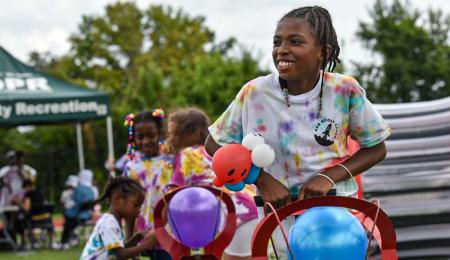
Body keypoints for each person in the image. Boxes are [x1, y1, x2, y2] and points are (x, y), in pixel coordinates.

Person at [205, 6, 390, 257]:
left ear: (322, 53)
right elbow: (214, 143)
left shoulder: (345, 90)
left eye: (295, 42)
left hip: (334, 218)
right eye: (277, 42)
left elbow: (377, 147)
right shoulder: (254, 93)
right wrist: (261, 178)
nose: (282, 49)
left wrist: (328, 177)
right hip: (275, 216)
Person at [168, 107, 259, 260]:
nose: (170, 139)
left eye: (175, 134)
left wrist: (157, 229)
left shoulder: (187, 155)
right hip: (253, 206)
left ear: (196, 133)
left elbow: (172, 195)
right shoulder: (218, 151)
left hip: (234, 214)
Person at [122, 108, 173, 259]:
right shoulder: (131, 168)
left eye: (151, 135)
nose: (145, 141)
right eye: (140, 137)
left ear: (160, 134)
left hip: (169, 235)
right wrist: (129, 241)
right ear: (134, 138)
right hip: (142, 236)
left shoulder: (171, 163)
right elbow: (128, 208)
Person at [80, 176, 157, 260]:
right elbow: (120, 255)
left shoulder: (113, 221)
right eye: (135, 205)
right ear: (117, 199)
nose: (139, 210)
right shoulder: (109, 224)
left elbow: (117, 251)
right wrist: (148, 244)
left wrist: (138, 237)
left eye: (140, 206)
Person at [60, 170, 96, 249]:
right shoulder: (91, 190)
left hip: (77, 216)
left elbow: (72, 203)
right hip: (87, 216)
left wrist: (66, 209)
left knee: (67, 222)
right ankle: (72, 238)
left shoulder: (78, 190)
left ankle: (64, 242)